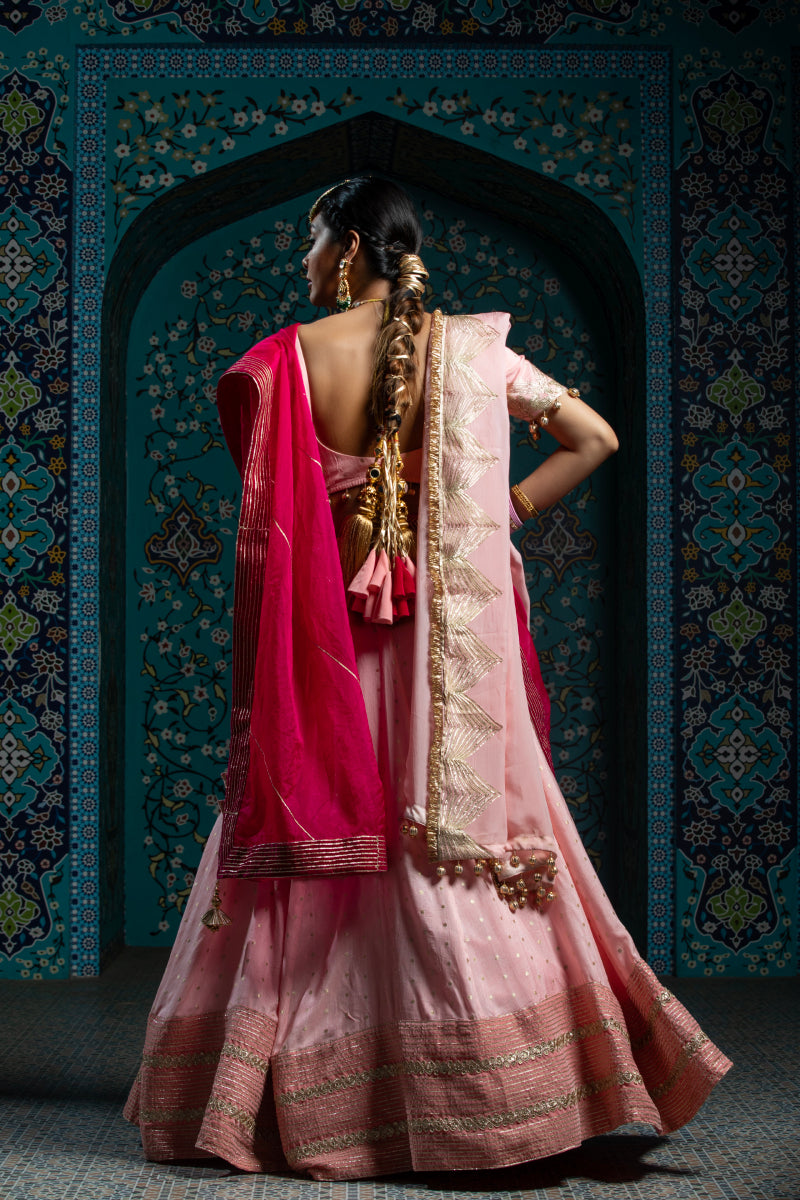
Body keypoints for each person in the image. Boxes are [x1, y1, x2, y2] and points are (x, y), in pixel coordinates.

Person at [125, 177, 730, 1181]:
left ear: (350, 247)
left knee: (315, 825)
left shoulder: (288, 359)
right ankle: (499, 1098)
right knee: (453, 833)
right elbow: (595, 439)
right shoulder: (473, 354)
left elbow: (273, 512)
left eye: (312, 239)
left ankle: (294, 1097)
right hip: (452, 657)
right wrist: (500, 514)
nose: (304, 259)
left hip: (329, 653)